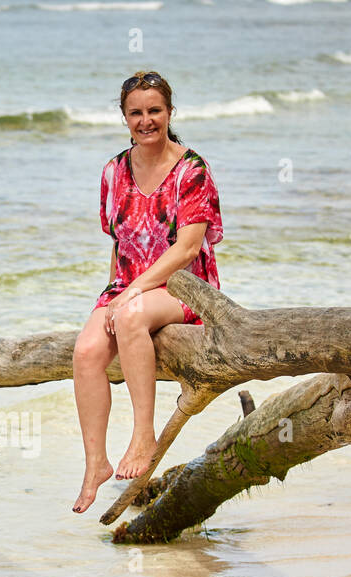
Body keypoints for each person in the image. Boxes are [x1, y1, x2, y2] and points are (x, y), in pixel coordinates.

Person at [72, 70, 223, 514]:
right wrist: (114, 295)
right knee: (85, 352)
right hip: (126, 285)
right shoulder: (113, 171)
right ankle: (95, 462)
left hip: (187, 288)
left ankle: (143, 436)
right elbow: (118, 242)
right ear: (124, 117)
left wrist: (133, 294)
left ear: (169, 113)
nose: (146, 120)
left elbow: (189, 247)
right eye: (135, 112)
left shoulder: (192, 170)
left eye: (154, 111)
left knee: (132, 316)